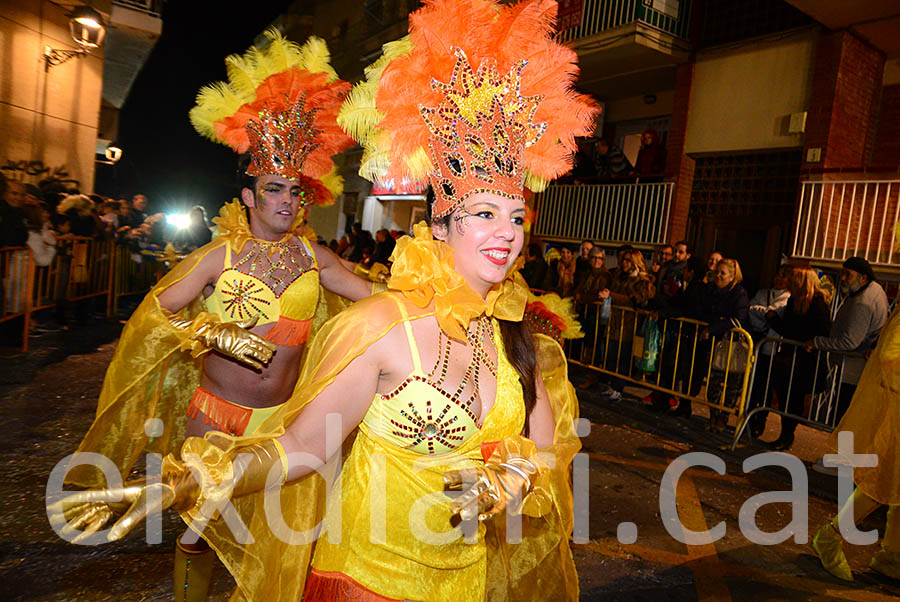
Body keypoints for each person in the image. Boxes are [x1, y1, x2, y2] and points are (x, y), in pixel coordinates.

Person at [52, 2, 598, 600]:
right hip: (355, 575)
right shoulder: (378, 325)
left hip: (459, 586)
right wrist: (188, 478)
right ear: (439, 224)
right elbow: (305, 445)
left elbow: (548, 453)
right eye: (484, 214)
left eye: (517, 217)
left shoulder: (517, 336)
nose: (508, 232)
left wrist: (517, 479)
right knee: (206, 535)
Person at [60, 31, 375, 602]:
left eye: (295, 192)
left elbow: (378, 303)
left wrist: (442, 285)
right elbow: (154, 316)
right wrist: (205, 329)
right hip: (216, 418)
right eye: (273, 189)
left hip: (283, 424)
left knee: (277, 536)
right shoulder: (216, 257)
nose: (287, 200)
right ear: (250, 198)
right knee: (202, 530)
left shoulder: (316, 257)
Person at [811, 289, 900, 582]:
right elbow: (889, 356)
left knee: (896, 490)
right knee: (880, 485)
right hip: (894, 418)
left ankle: (891, 555)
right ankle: (830, 536)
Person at [802, 256, 888, 423]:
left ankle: (843, 450)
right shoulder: (870, 291)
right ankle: (842, 448)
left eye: (848, 274)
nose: (843, 279)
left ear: (863, 278)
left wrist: (817, 342)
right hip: (856, 367)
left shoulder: (863, 302)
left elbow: (849, 342)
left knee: (844, 417)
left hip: (853, 369)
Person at [764, 268, 831, 449]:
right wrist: (773, 320)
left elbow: (823, 331)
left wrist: (810, 341)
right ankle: (784, 434)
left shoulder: (817, 304)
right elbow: (788, 328)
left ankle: (787, 435)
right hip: (789, 356)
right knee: (785, 396)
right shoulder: (794, 300)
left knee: (795, 399)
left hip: (804, 360)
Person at [698, 258, 749, 432]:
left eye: (722, 273)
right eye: (717, 272)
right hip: (716, 342)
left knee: (732, 383)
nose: (718, 276)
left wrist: (716, 326)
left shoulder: (739, 293)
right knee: (713, 381)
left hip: (732, 344)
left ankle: (724, 417)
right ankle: (713, 414)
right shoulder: (712, 290)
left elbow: (738, 319)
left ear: (732, 276)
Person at [744, 265, 792, 438]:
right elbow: (751, 310)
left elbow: (778, 315)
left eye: (783, 276)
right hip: (757, 343)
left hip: (772, 348)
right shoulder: (763, 293)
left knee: (766, 386)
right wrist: (766, 314)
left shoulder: (787, 298)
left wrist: (765, 314)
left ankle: (760, 418)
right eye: (777, 274)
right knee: (752, 382)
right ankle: (747, 417)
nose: (778, 278)